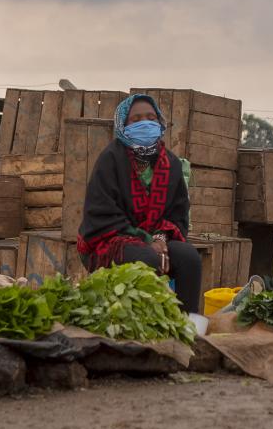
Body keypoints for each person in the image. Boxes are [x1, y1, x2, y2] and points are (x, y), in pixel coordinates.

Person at [77, 94, 202, 312]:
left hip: (155, 237)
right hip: (110, 240)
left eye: (151, 118)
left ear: (160, 122)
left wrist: (161, 236)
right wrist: (145, 240)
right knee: (147, 258)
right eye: (136, 120)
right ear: (123, 126)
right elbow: (103, 215)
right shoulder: (111, 159)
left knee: (189, 257)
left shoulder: (170, 164)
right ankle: (144, 322)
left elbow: (177, 213)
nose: (145, 123)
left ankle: (186, 324)